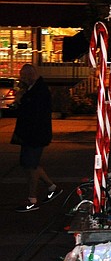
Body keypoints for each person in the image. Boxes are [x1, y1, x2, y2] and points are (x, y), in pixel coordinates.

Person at [11, 64, 59, 212]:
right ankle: (52, 187)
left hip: (35, 134)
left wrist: (20, 100)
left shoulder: (39, 91)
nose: (21, 79)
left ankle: (32, 199)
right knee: (29, 164)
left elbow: (33, 113)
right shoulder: (34, 89)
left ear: (29, 76)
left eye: (23, 77)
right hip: (31, 134)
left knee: (30, 166)